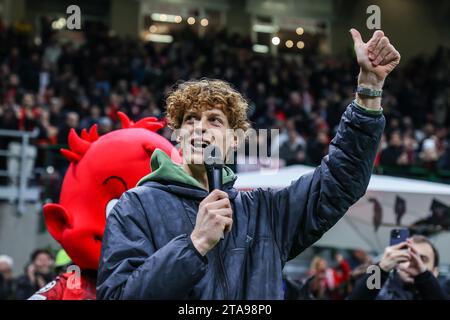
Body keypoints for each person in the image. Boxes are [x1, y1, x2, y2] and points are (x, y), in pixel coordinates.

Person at [96, 29, 399, 299]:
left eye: (214, 120)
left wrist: (369, 91)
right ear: (178, 135)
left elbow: (340, 180)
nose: (200, 128)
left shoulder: (265, 211)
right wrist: (194, 245)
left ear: (236, 141)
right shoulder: (135, 207)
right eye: (190, 120)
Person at [347, 235, 448, 300]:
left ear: (435, 272)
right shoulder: (378, 290)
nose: (413, 263)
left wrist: (424, 277)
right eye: (408, 256)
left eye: (423, 259)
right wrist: (381, 269)